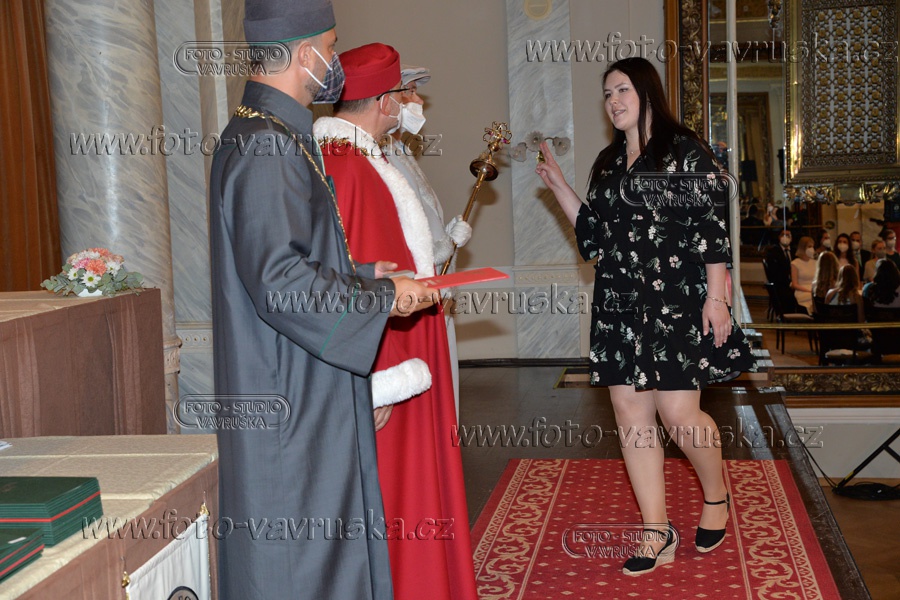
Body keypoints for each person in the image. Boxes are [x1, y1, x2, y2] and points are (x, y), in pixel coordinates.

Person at [208, 5, 438, 598]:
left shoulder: (274, 131)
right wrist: (383, 296)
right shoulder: (266, 143)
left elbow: (283, 257)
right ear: (305, 53)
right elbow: (279, 282)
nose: (334, 62)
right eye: (331, 48)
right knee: (304, 566)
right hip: (291, 399)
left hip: (302, 380)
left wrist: (359, 274)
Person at [535, 57, 755, 576]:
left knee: (679, 415)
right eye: (607, 94)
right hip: (619, 304)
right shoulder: (609, 164)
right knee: (631, 416)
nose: (613, 101)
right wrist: (561, 187)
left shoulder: (684, 151)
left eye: (622, 90)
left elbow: (712, 229)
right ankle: (656, 531)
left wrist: (717, 298)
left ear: (647, 92)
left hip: (677, 301)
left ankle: (717, 495)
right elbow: (595, 238)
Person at [313, 43, 478, 600]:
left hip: (403, 354)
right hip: (388, 366)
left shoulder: (365, 160)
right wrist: (373, 382)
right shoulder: (348, 169)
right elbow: (349, 288)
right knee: (400, 490)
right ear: (384, 102)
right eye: (405, 94)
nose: (413, 103)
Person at [387, 64, 472, 419]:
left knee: (444, 386)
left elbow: (419, 214)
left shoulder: (398, 149)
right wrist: (442, 246)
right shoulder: (377, 153)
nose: (417, 100)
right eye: (408, 91)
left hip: (433, 281)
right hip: (412, 286)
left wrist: (446, 237)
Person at [764, 228, 796, 311]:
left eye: (788, 235)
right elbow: (774, 273)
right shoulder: (773, 252)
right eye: (783, 235)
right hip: (781, 285)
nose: (786, 237)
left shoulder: (795, 252)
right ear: (779, 237)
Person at [790, 236, 817, 314]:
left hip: (813, 290)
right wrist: (808, 290)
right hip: (801, 291)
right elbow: (794, 284)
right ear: (803, 247)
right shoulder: (795, 263)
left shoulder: (815, 262)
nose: (812, 249)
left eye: (812, 246)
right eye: (809, 246)